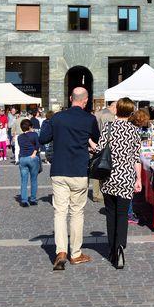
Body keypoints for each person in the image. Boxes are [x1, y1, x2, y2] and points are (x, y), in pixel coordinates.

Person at [39, 86, 99, 271]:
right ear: (85, 100)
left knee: (60, 212)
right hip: (79, 170)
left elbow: (43, 139)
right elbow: (96, 139)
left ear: (70, 98)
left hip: (59, 170)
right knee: (77, 213)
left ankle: (61, 251)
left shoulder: (57, 118)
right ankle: (76, 253)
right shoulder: (89, 119)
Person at [93, 97, 142, 269]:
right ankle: (121, 246)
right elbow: (137, 158)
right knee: (122, 215)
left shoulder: (108, 128)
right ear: (130, 112)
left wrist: (90, 142)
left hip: (109, 177)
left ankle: (112, 249)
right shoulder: (134, 131)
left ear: (117, 110)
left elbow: (99, 150)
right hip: (126, 177)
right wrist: (139, 179)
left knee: (111, 214)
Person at [16, 118, 40, 206]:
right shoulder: (34, 134)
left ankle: (24, 200)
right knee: (33, 180)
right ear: (30, 127)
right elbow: (37, 145)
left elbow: (21, 146)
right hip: (32, 158)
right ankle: (33, 199)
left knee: (23, 181)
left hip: (22, 158)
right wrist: (34, 153)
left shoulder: (19, 137)